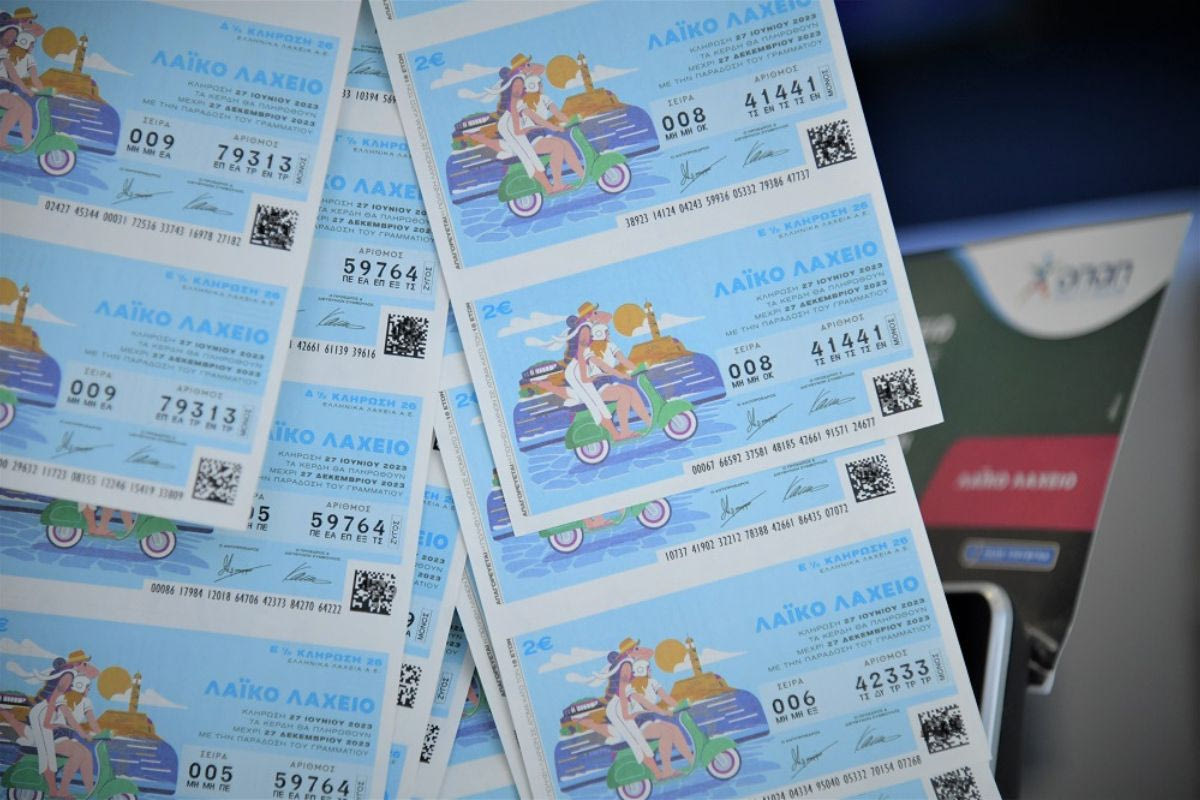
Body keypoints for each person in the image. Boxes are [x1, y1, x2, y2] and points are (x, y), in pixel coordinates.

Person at [601, 638, 693, 780]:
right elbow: (627, 692)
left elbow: (649, 653)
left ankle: (690, 761)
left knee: (673, 729)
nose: (640, 650)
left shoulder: (636, 672)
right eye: (636, 648)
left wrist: (674, 707)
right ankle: (663, 772)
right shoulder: (627, 668)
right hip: (628, 715)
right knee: (651, 737)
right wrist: (627, 713)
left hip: (636, 714)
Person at [0, 16, 35, 152]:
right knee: (17, 106)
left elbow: (11, 74)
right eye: (8, 35)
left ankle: (27, 142)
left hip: (4, 87)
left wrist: (24, 88)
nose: (10, 39)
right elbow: (12, 73)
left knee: (27, 108)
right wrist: (24, 89)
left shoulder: (4, 52)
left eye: (13, 37)